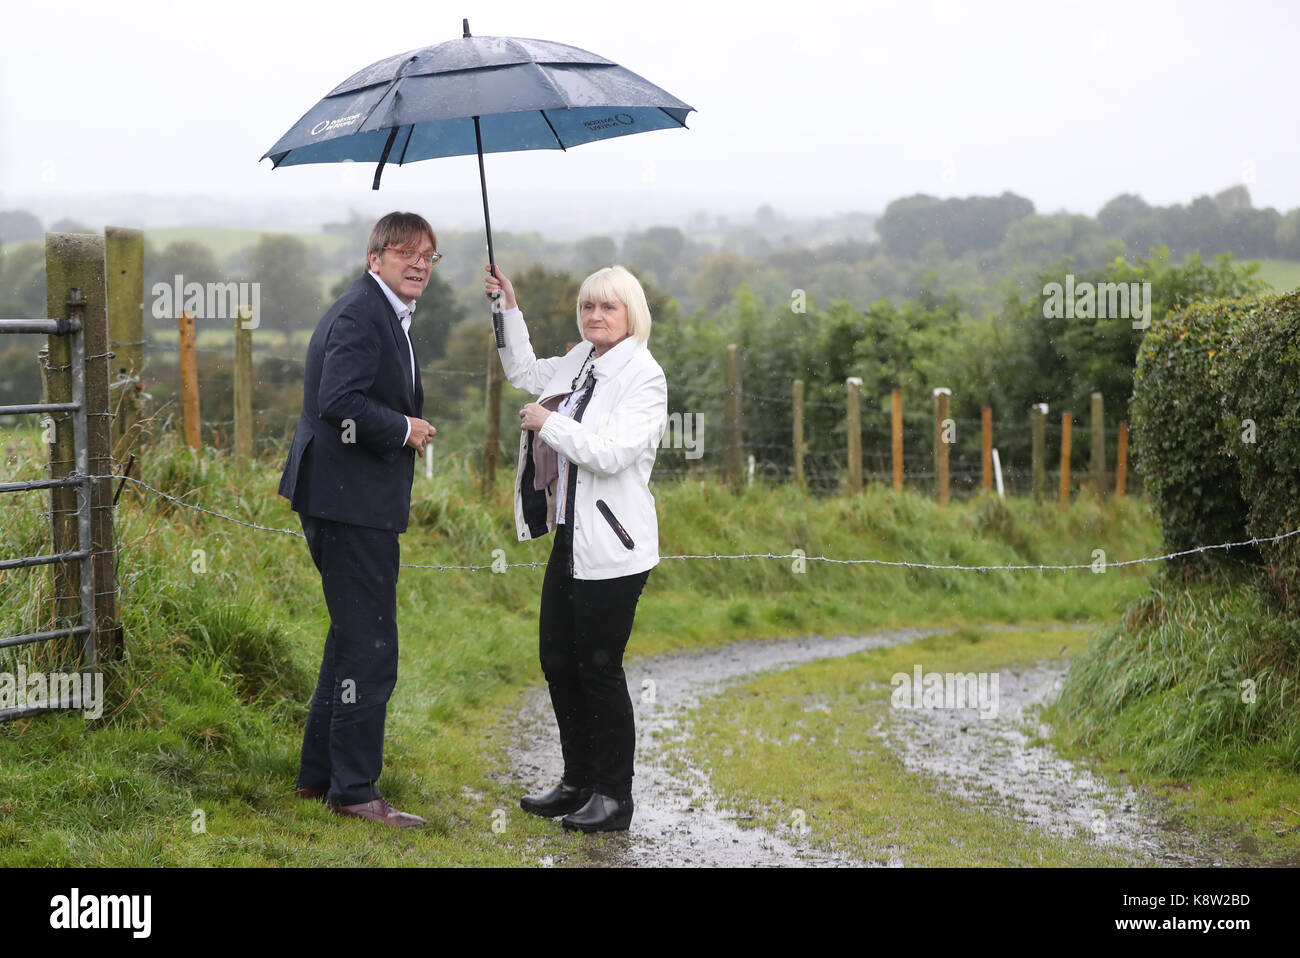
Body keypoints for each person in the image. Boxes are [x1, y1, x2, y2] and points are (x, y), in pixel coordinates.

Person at [485, 262, 667, 833]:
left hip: (615, 545)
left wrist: (548, 424)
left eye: (607, 307)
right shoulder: (581, 360)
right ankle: (577, 781)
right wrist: (506, 307)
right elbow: (521, 368)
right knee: (557, 660)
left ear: (631, 314)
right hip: (570, 534)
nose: (595, 316)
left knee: (599, 666)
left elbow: (612, 453)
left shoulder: (644, 376)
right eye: (588, 306)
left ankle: (614, 798)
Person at [277, 211, 439, 828]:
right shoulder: (360, 314)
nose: (418, 262)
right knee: (371, 644)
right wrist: (405, 429)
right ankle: (356, 790)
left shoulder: (385, 312)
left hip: (349, 499)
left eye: (428, 254)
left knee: (349, 637)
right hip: (347, 502)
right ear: (375, 259)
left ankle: (320, 779)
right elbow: (338, 402)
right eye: (404, 252)